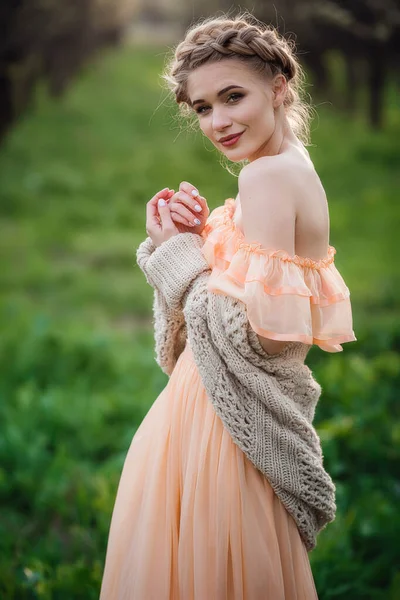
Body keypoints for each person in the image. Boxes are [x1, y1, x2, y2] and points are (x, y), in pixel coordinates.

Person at [99, 11, 356, 599]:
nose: (218, 122)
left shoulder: (264, 179)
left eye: (232, 97)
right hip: (213, 409)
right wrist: (197, 244)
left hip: (221, 428)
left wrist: (178, 257)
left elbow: (255, 339)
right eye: (202, 107)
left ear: (279, 86)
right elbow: (251, 299)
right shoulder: (291, 167)